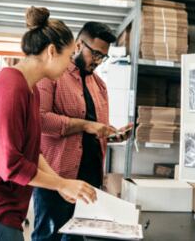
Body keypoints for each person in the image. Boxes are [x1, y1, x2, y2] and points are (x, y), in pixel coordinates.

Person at [0, 7, 97, 241]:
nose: (70, 65)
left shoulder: (30, 89)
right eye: (69, 56)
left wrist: (61, 185)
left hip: (2, 203)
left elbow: (31, 152)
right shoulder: (11, 88)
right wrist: (62, 183)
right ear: (52, 51)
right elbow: (8, 165)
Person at [32, 22, 133, 241]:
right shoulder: (52, 76)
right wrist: (86, 125)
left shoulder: (100, 85)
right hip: (56, 178)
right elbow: (39, 120)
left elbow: (95, 132)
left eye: (102, 56)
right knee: (48, 237)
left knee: (77, 239)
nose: (97, 61)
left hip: (89, 180)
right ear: (78, 45)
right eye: (95, 53)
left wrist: (113, 135)